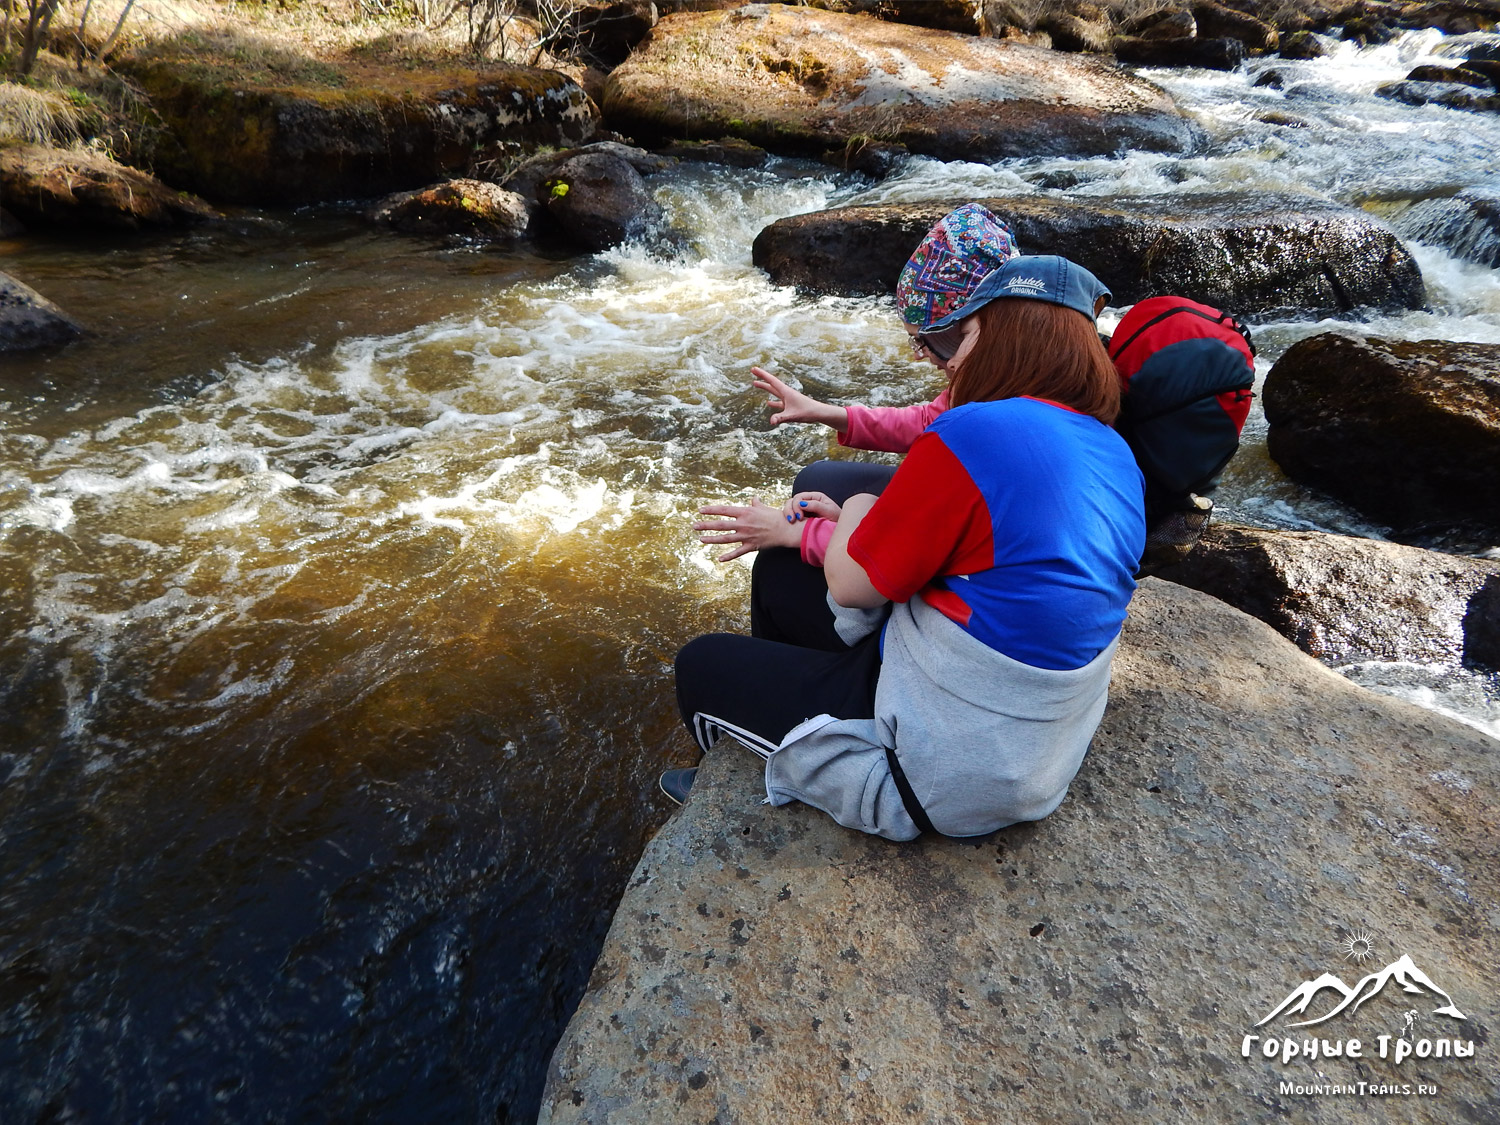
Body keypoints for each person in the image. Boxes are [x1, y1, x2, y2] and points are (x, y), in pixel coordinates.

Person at [663, 253, 1146, 841]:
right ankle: (810, 698)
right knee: (784, 568)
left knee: (700, 665)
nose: (948, 361)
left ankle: (745, 774)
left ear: (1005, 338)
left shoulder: (975, 431)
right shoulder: (1113, 451)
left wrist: (859, 513)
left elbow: (850, 583)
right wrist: (838, 525)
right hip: (1027, 745)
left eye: (961, 336)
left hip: (938, 771)